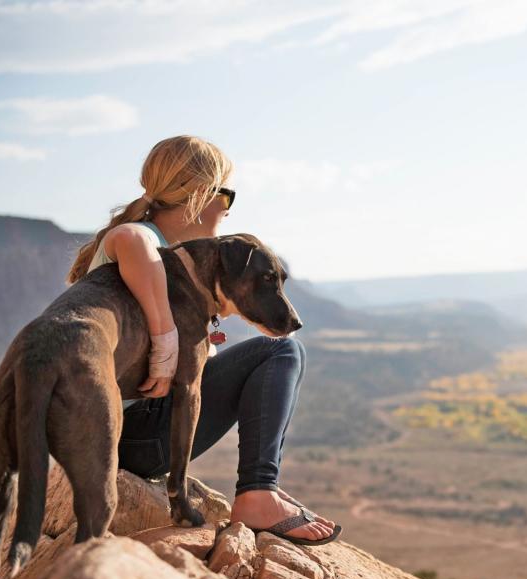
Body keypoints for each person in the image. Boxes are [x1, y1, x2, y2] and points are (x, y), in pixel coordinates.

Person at [66, 134, 338, 544]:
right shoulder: (146, 244)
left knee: (278, 349)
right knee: (281, 350)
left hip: (125, 434)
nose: (228, 211)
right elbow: (129, 239)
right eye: (226, 196)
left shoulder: (177, 261)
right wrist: (166, 337)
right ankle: (258, 492)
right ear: (199, 196)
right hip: (128, 435)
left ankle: (262, 489)